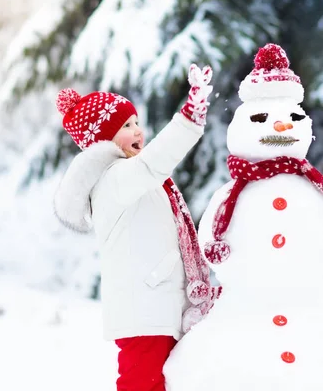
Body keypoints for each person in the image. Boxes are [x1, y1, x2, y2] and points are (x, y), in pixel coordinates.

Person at [53, 64, 216, 391]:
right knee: (141, 385)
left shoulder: (135, 179)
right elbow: (154, 162)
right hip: (145, 313)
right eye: (127, 125)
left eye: (137, 122)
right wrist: (189, 117)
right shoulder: (114, 179)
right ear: (103, 139)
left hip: (159, 308)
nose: (138, 130)